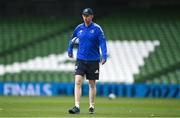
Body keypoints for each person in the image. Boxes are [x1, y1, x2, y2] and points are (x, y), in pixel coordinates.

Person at [67, 8, 107, 114]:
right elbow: (72, 39)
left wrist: (104, 55)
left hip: (93, 60)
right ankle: (77, 106)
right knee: (78, 81)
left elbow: (103, 42)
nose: (85, 17)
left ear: (92, 16)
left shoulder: (97, 29)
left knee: (91, 83)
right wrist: (70, 50)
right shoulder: (79, 28)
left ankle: (91, 106)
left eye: (87, 15)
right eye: (84, 15)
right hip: (80, 59)